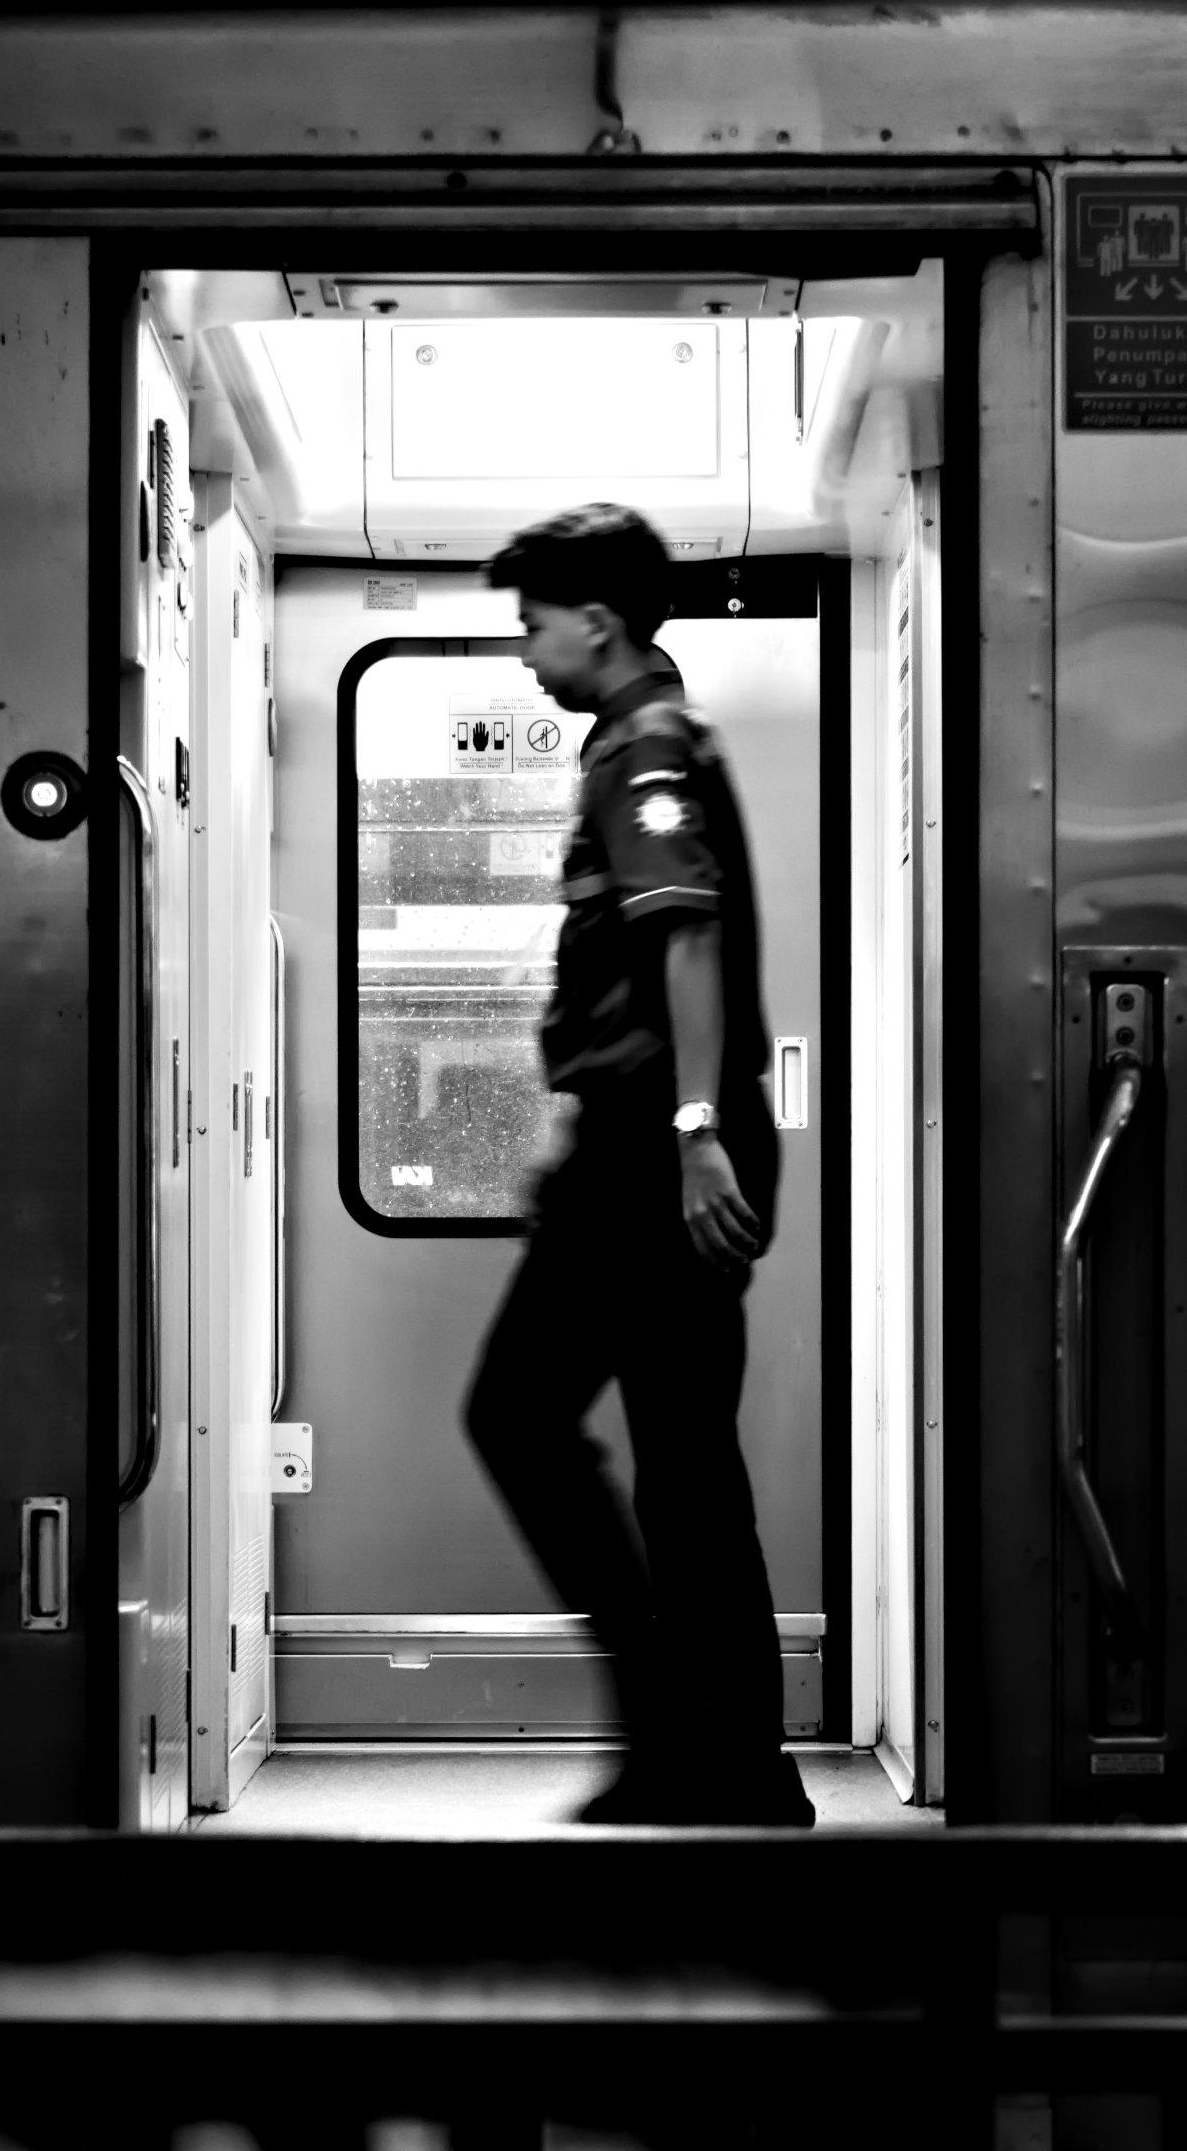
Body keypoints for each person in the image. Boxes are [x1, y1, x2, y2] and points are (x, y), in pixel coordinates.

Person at [463, 503, 816, 1828]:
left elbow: (688, 938)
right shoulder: (654, 738)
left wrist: (690, 1133)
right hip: (648, 1140)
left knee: (518, 1414)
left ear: (597, 624)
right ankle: (737, 1764)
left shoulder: (642, 747)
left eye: (534, 626)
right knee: (683, 1457)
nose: (527, 652)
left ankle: (680, 1735)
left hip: (651, 1148)